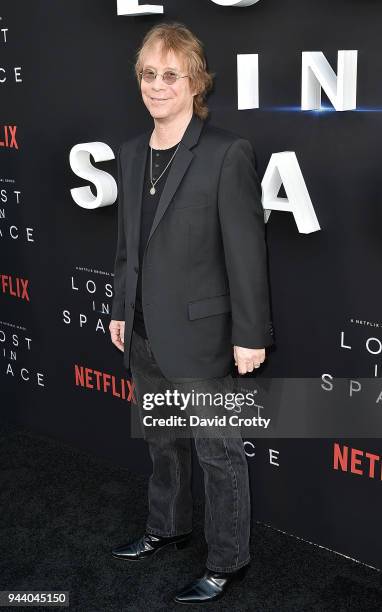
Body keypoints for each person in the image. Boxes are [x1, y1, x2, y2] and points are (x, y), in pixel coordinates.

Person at [108, 21, 274, 605]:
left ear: (194, 82)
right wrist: (119, 308)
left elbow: (246, 253)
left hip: (206, 333)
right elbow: (128, 245)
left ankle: (228, 562)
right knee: (161, 441)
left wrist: (250, 334)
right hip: (145, 332)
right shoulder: (130, 154)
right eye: (148, 75)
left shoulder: (225, 153)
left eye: (170, 75)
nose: (157, 86)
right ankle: (167, 527)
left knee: (218, 452)